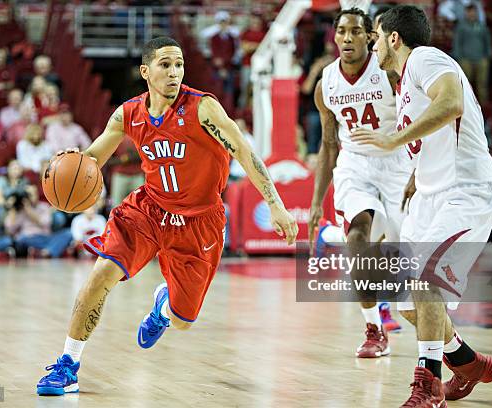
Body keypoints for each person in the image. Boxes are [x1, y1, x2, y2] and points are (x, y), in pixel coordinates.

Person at [36, 36, 298, 396]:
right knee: (100, 276)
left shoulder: (203, 108)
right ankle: (68, 365)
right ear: (145, 71)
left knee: (184, 320)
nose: (174, 73)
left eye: (178, 65)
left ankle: (163, 306)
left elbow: (244, 152)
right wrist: (75, 161)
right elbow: (94, 158)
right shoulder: (128, 114)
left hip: (199, 222)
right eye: (165, 65)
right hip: (148, 209)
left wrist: (275, 204)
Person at [353, 6, 492, 406]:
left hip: (464, 192)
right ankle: (471, 364)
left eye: (377, 36)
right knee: (410, 307)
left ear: (394, 38)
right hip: (429, 197)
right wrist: (416, 177)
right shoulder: (404, 82)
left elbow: (451, 102)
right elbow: (438, 133)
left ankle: (427, 386)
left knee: (427, 285)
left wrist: (392, 142)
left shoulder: (426, 58)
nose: (373, 43)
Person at [307, 8, 411, 359]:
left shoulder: (391, 73)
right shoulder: (327, 83)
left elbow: (418, 123)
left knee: (400, 255)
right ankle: (373, 328)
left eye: (355, 31)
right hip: (354, 166)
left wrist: (417, 170)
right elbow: (328, 144)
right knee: (357, 238)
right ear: (334, 36)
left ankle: (436, 336)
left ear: (370, 36)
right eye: (341, 31)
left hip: (397, 162)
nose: (347, 38)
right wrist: (315, 202)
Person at [4, 186, 72, 258]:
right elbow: (10, 230)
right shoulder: (21, 210)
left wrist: (29, 210)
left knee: (68, 233)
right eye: (28, 194)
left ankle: (46, 251)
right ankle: (46, 250)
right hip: (28, 238)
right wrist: (13, 210)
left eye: (32, 194)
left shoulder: (44, 206)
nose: (31, 197)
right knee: (19, 240)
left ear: (37, 195)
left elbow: (44, 222)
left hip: (45, 237)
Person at [452, 5, 492, 104]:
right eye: (469, 12)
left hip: (481, 58)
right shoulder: (461, 27)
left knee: (482, 84)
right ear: (466, 13)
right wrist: (459, 58)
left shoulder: (482, 26)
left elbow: (487, 41)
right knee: (465, 84)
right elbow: (457, 43)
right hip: (466, 59)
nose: (472, 14)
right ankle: (466, 104)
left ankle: (484, 106)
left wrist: (488, 55)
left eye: (474, 11)